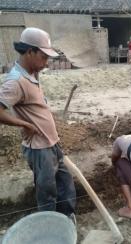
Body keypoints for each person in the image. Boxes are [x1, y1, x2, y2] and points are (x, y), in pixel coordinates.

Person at [0, 27, 76, 222]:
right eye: (43, 56)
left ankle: (66, 217)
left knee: (66, 183)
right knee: (47, 192)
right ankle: (49, 225)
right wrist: (23, 124)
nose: (46, 62)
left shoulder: (32, 73)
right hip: (39, 149)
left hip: (52, 143)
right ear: (30, 51)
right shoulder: (15, 81)